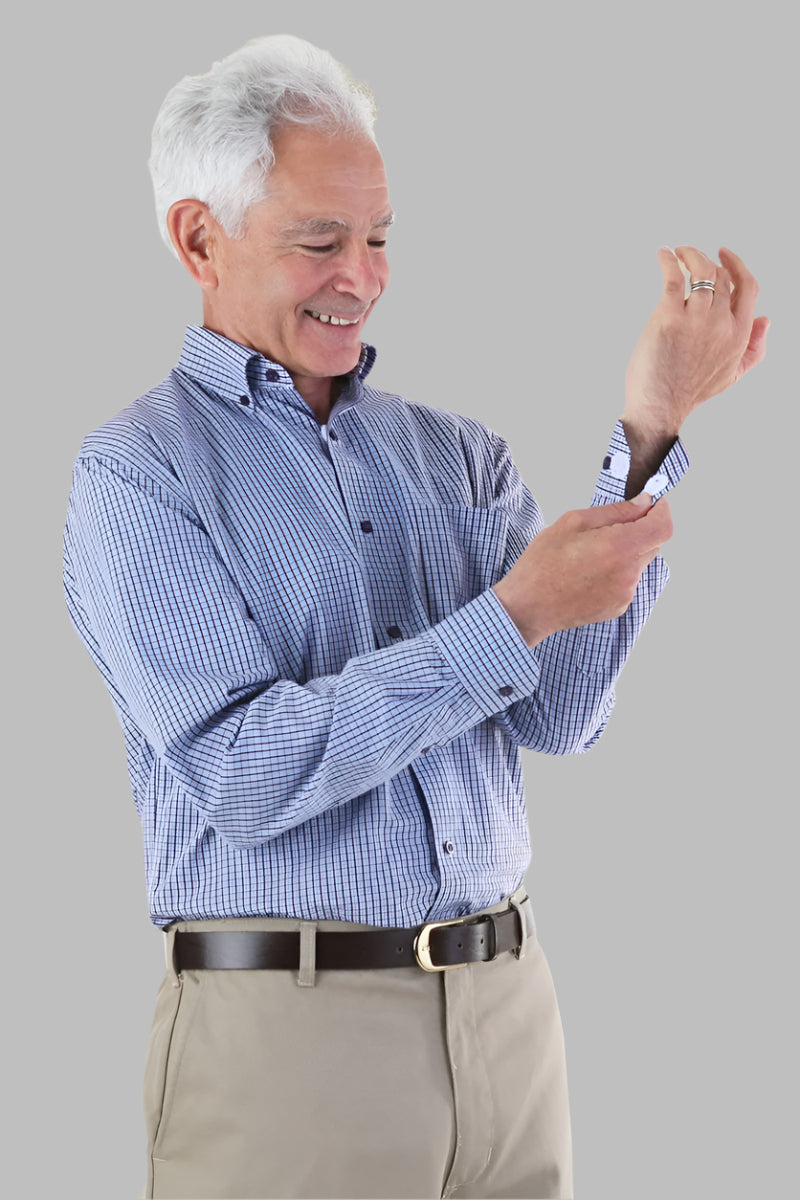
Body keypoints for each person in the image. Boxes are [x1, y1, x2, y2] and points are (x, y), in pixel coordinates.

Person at [63, 33, 768, 1200]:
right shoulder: (139, 473)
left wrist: (645, 435)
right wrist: (509, 614)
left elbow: (559, 712)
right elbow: (240, 774)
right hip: (289, 1040)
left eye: (379, 237)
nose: (363, 274)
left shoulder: (454, 454)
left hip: (506, 1012)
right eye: (319, 241)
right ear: (198, 239)